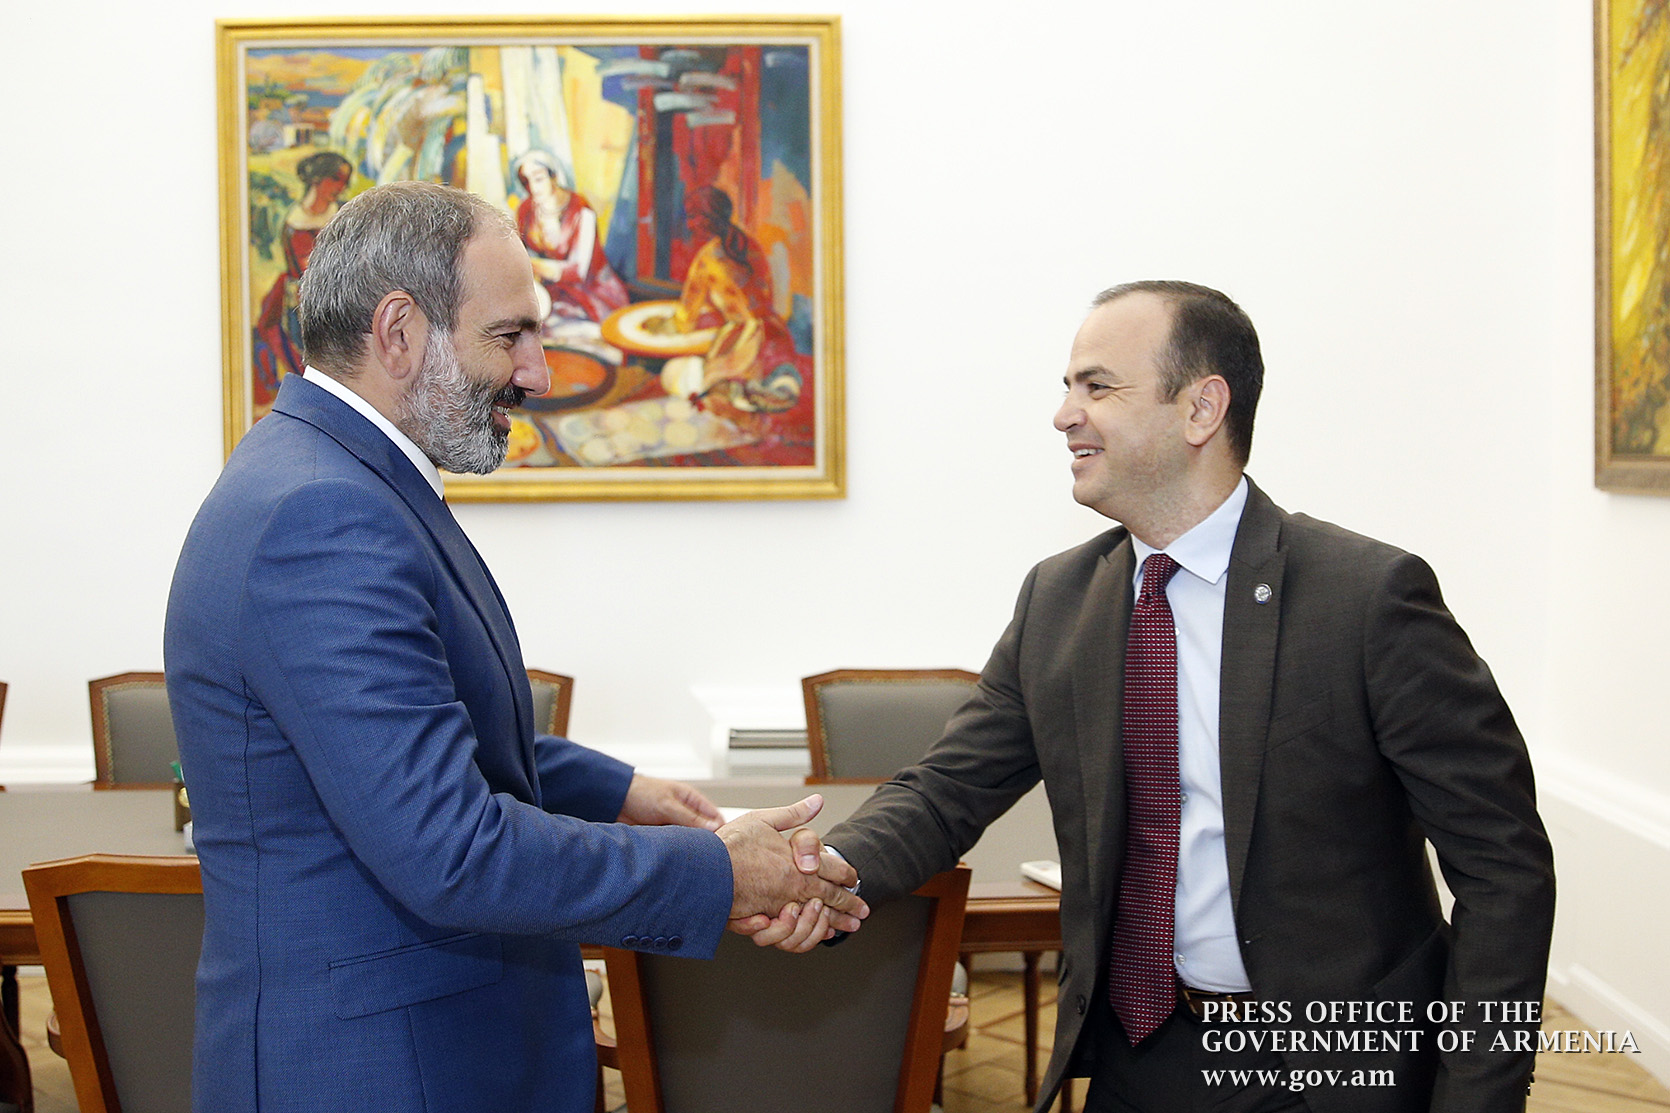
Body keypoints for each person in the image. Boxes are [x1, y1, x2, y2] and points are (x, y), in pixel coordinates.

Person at [164, 180, 866, 1113]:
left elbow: (413, 735)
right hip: (378, 1071)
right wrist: (722, 871)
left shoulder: (329, 478)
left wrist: (624, 793)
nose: (537, 372)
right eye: (510, 336)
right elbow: (449, 849)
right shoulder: (321, 516)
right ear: (400, 331)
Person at [787, 282, 1556, 1113]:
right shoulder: (1060, 600)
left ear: (1201, 408)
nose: (1064, 415)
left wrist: (1477, 1096)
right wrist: (826, 870)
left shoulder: (1367, 601)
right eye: (1066, 386)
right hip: (1137, 1052)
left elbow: (1502, 865)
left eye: (1097, 386)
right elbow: (946, 790)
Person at [669, 185, 806, 416]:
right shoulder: (749, 244)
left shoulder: (707, 259)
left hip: (742, 341)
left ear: (710, 218)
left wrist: (674, 328)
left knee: (689, 377)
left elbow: (686, 314)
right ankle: (775, 387)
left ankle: (740, 393)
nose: (690, 225)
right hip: (775, 335)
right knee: (782, 374)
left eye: (693, 217)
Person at [252, 150, 354, 410]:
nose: (341, 187)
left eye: (344, 181)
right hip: (303, 300)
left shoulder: (341, 215)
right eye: (336, 179)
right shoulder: (294, 220)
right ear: (318, 180)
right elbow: (299, 266)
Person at [512, 149, 630, 329]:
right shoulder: (526, 209)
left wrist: (532, 264)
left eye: (539, 178)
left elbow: (578, 271)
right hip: (550, 290)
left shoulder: (582, 212)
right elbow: (519, 251)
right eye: (526, 181)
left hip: (591, 292)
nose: (532, 188)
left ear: (554, 177)